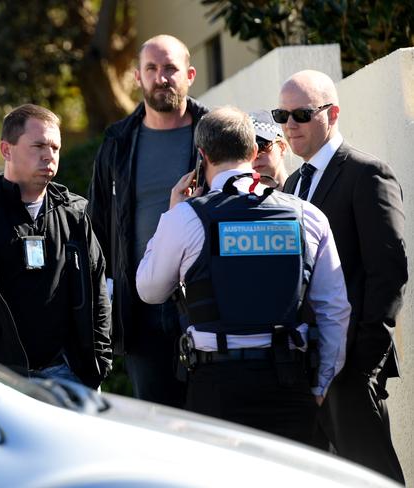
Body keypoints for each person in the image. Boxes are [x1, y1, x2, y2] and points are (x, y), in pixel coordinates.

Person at [136, 106, 350, 444]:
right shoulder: (307, 216)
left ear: (202, 155)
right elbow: (334, 310)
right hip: (289, 380)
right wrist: (320, 385)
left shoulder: (187, 218)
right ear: (252, 153)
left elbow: (149, 289)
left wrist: (172, 213)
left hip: (217, 385)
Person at [276, 70, 408, 482]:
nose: (289, 125)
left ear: (331, 114)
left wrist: (364, 362)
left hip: (351, 365)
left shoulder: (368, 174)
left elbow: (388, 273)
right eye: (282, 114)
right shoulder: (295, 182)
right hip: (305, 364)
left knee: (373, 477)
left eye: (300, 113)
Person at [0, 104, 112, 388]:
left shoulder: (74, 214)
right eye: (38, 145)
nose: (49, 155)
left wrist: (98, 362)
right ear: (6, 150)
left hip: (69, 376)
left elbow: (97, 290)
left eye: (55, 147)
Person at [88, 34, 208, 407]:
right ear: (137, 78)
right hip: (141, 309)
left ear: (189, 74)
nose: (162, 77)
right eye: (152, 69)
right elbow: (97, 227)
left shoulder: (215, 132)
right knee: (160, 423)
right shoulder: (118, 141)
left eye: (170, 68)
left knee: (215, 424)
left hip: (208, 301)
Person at [249, 110, 288, 189]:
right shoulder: (238, 198)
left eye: (262, 145)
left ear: (282, 147)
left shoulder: (304, 191)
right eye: (247, 149)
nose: (255, 155)